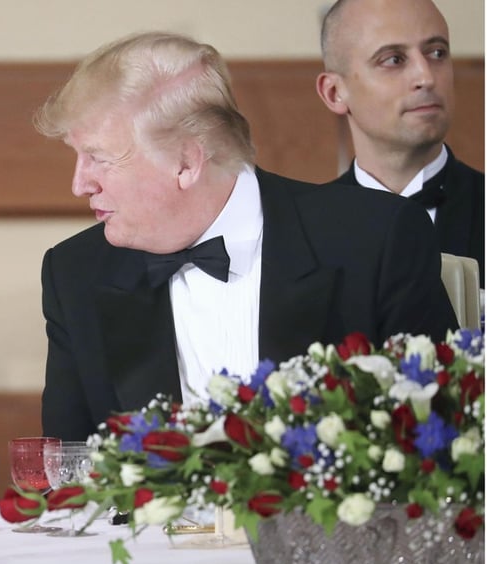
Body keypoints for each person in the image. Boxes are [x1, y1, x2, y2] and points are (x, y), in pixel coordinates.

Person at [35, 32, 458, 442]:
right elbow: (66, 468)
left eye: (99, 158)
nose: (80, 184)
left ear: (186, 162)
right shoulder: (75, 274)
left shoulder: (374, 239)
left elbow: (438, 437)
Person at [315, 0, 484, 280]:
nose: (426, 77)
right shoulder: (299, 232)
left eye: (437, 53)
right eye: (393, 59)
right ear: (334, 93)